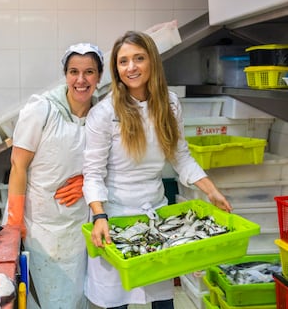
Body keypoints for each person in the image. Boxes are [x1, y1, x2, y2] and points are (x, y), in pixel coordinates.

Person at [82, 31, 232, 309]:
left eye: (139, 58)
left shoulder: (170, 104)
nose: (131, 67)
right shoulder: (104, 113)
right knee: (116, 300)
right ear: (116, 69)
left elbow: (181, 157)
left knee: (161, 300)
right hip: (115, 218)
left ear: (152, 61)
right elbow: (92, 173)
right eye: (123, 61)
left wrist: (212, 192)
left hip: (156, 216)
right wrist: (99, 215)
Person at [5, 43, 104, 309]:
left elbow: (107, 164)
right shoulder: (42, 110)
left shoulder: (102, 116)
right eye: (74, 72)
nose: (81, 80)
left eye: (89, 72)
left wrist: (86, 182)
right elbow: (18, 165)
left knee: (77, 296)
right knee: (47, 298)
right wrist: (14, 223)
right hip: (41, 227)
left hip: (79, 225)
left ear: (99, 76)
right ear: (65, 74)